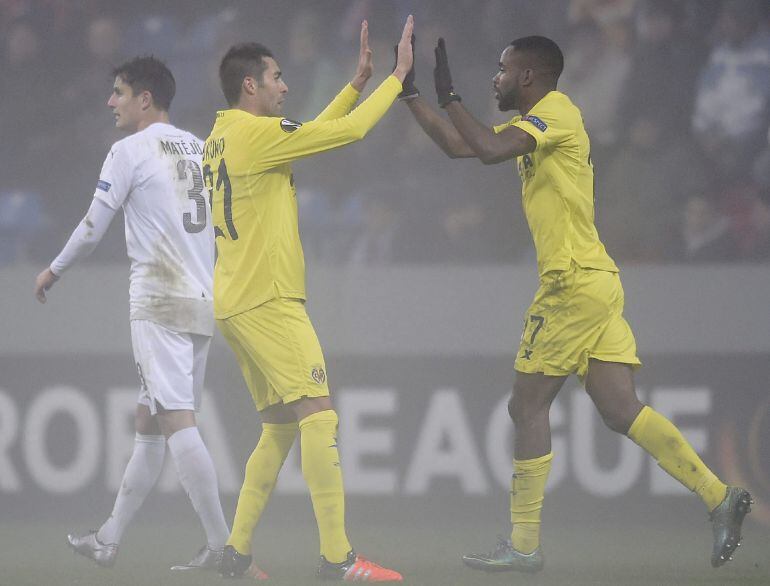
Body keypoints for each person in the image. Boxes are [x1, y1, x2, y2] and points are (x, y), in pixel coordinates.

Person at [400, 35, 752, 572]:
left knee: (526, 406)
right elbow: (460, 146)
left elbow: (489, 150)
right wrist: (412, 95)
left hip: (570, 284)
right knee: (619, 410)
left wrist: (449, 93)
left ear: (528, 77)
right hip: (595, 281)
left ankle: (523, 544)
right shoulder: (532, 127)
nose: (494, 78)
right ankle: (718, 496)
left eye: (501, 69)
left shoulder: (556, 113)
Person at [202, 16, 414, 582]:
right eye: (276, 77)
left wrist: (356, 83)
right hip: (269, 299)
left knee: (278, 427)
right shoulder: (253, 135)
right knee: (319, 417)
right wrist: (396, 79)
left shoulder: (223, 137)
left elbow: (311, 133)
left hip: (234, 299)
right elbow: (346, 135)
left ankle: (235, 553)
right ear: (251, 85)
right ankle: (337, 559)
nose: (284, 85)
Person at [34, 56, 231, 573]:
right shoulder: (199, 146)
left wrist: (53, 270)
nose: (110, 102)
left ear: (145, 99)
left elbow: (94, 225)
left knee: (175, 421)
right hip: (202, 298)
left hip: (159, 299)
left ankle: (222, 545)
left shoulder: (128, 151)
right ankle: (109, 538)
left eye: (118, 92)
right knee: (148, 422)